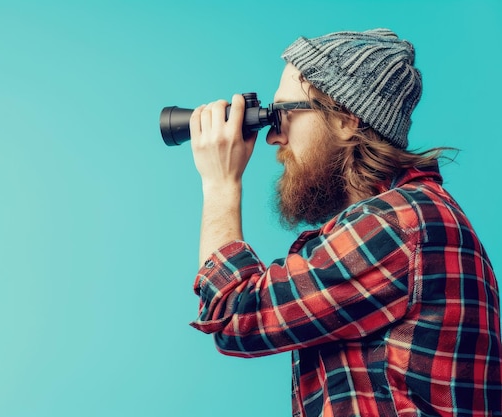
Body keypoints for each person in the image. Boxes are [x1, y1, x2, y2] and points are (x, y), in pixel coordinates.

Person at [187, 28, 501, 416]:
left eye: (282, 113)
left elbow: (235, 316)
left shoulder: (396, 225)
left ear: (347, 119)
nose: (273, 136)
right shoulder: (411, 217)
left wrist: (220, 182)